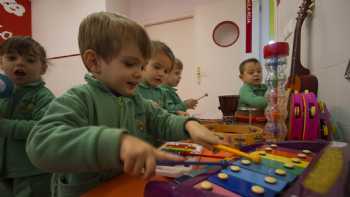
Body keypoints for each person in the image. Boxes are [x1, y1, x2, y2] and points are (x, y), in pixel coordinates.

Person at [26, 12, 221, 197]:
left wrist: (189, 125)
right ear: (94, 62)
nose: (138, 73)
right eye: (130, 64)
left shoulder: (137, 100)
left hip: (124, 186)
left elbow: (162, 119)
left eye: (142, 66)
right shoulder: (78, 98)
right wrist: (118, 143)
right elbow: (40, 144)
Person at [0, 36, 54, 197]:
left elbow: (43, 128)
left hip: (33, 172)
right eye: (12, 58)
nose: (20, 63)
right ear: (1, 63)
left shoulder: (43, 96)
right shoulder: (2, 93)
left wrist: (4, 126)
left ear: (43, 68)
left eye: (30, 60)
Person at [136, 40, 173, 109]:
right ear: (143, 64)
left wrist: (176, 113)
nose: (161, 74)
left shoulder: (162, 93)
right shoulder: (134, 88)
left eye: (166, 71)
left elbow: (165, 113)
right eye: (157, 67)